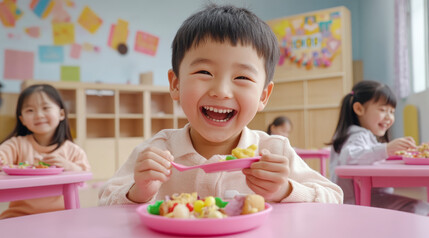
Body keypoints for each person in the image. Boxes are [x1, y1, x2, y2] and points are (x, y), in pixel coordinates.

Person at [99, 4, 342, 206]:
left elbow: (335, 198)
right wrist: (138, 191)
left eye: (242, 77)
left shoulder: (272, 150)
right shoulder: (159, 149)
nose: (221, 91)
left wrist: (286, 190)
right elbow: (104, 202)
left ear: (263, 96)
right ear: (175, 84)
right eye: (204, 72)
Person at [329, 80, 429, 215]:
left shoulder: (362, 135)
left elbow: (369, 156)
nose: (389, 117)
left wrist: (392, 152)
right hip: (357, 202)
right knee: (420, 208)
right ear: (359, 109)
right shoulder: (357, 135)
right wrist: (386, 149)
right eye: (383, 110)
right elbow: (350, 157)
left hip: (366, 198)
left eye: (392, 112)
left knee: (419, 206)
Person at [0, 84, 90, 219]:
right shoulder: (17, 144)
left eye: (46, 108)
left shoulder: (72, 150)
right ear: (22, 119)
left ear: (61, 114)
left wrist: (70, 166)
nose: (39, 115)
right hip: (19, 215)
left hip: (62, 215)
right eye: (30, 110)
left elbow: (84, 176)